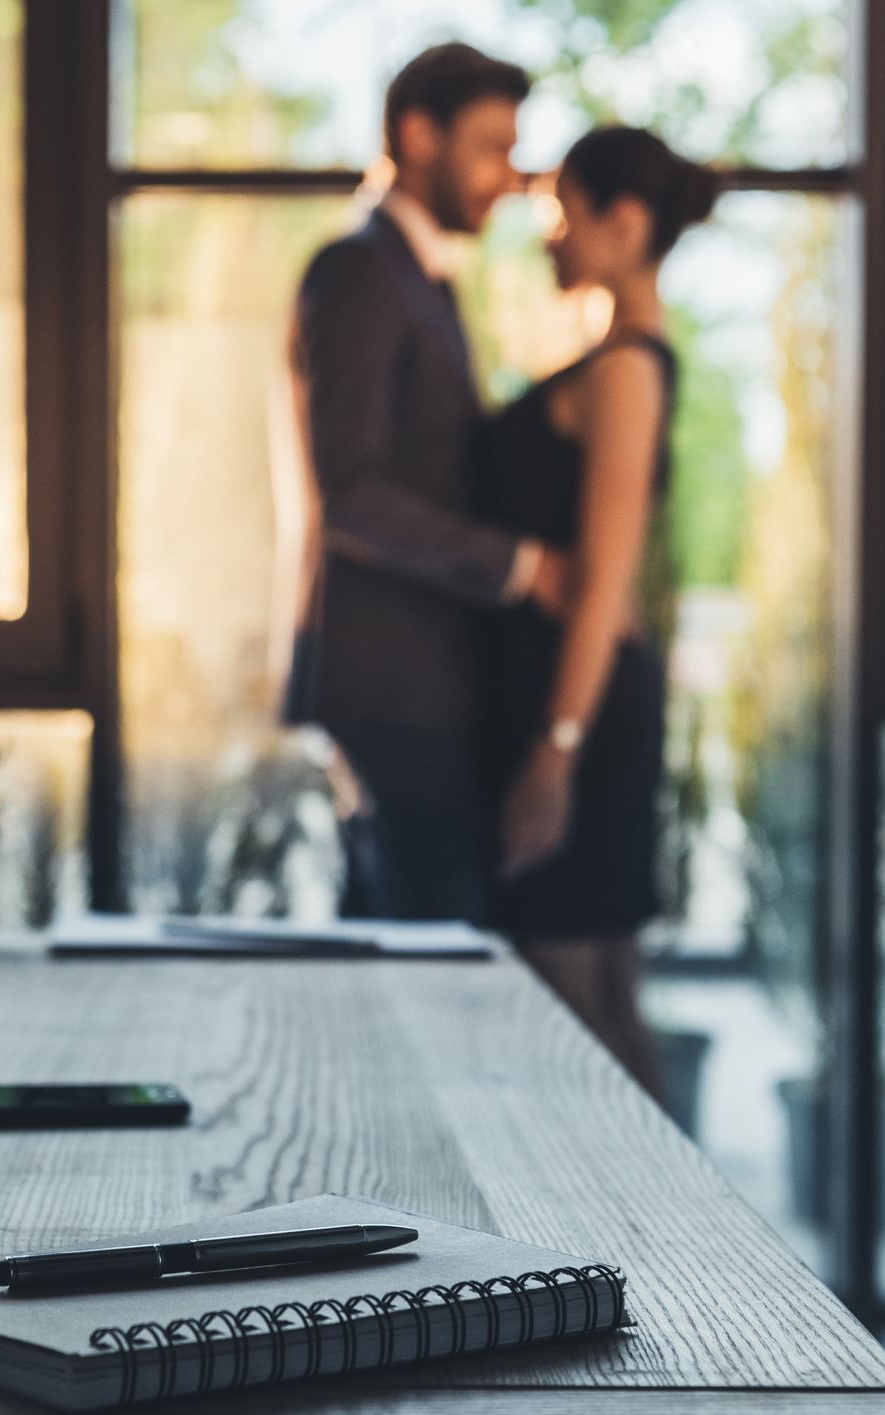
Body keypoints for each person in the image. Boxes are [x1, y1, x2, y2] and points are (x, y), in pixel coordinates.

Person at [284, 43, 568, 926]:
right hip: (390, 683)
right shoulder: (361, 269)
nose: (507, 176)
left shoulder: (423, 278)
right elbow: (354, 495)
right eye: (491, 147)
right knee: (435, 961)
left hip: (421, 684)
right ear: (418, 135)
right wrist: (524, 565)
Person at [472, 127, 718, 1098]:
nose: (549, 238)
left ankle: (652, 1244)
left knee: (575, 1006)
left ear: (624, 222)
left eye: (563, 214)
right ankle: (664, 1244)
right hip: (579, 702)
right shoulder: (612, 358)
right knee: (602, 998)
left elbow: (602, 580)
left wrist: (553, 751)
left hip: (576, 706)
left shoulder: (624, 371)